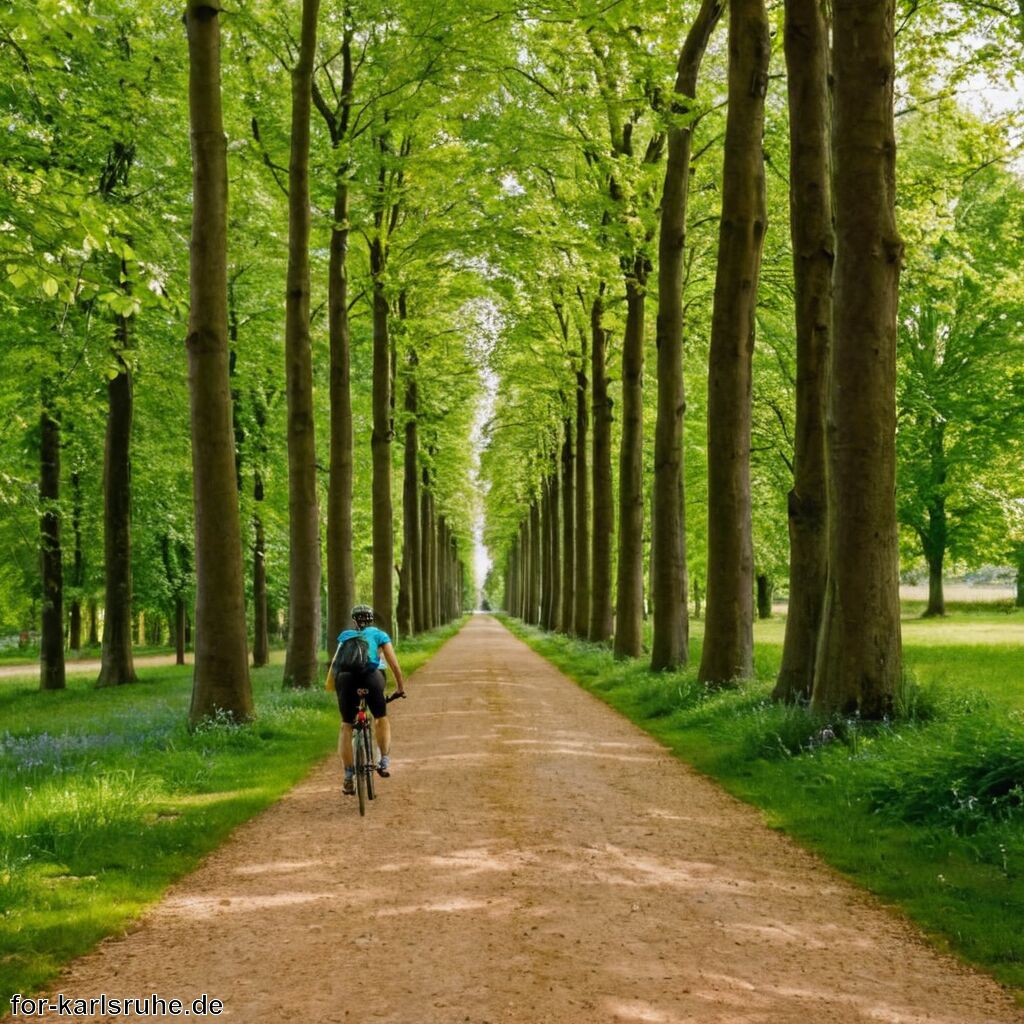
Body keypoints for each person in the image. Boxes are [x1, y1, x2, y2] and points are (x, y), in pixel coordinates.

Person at [333, 604, 406, 796]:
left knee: (346, 725)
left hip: (346, 680)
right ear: (371, 619)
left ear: (354, 620)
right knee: (381, 717)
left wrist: (337, 690)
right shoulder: (380, 635)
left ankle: (349, 776)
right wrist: (400, 687)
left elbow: (336, 665)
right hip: (371, 678)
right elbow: (393, 663)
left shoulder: (345, 636)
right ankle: (383, 761)